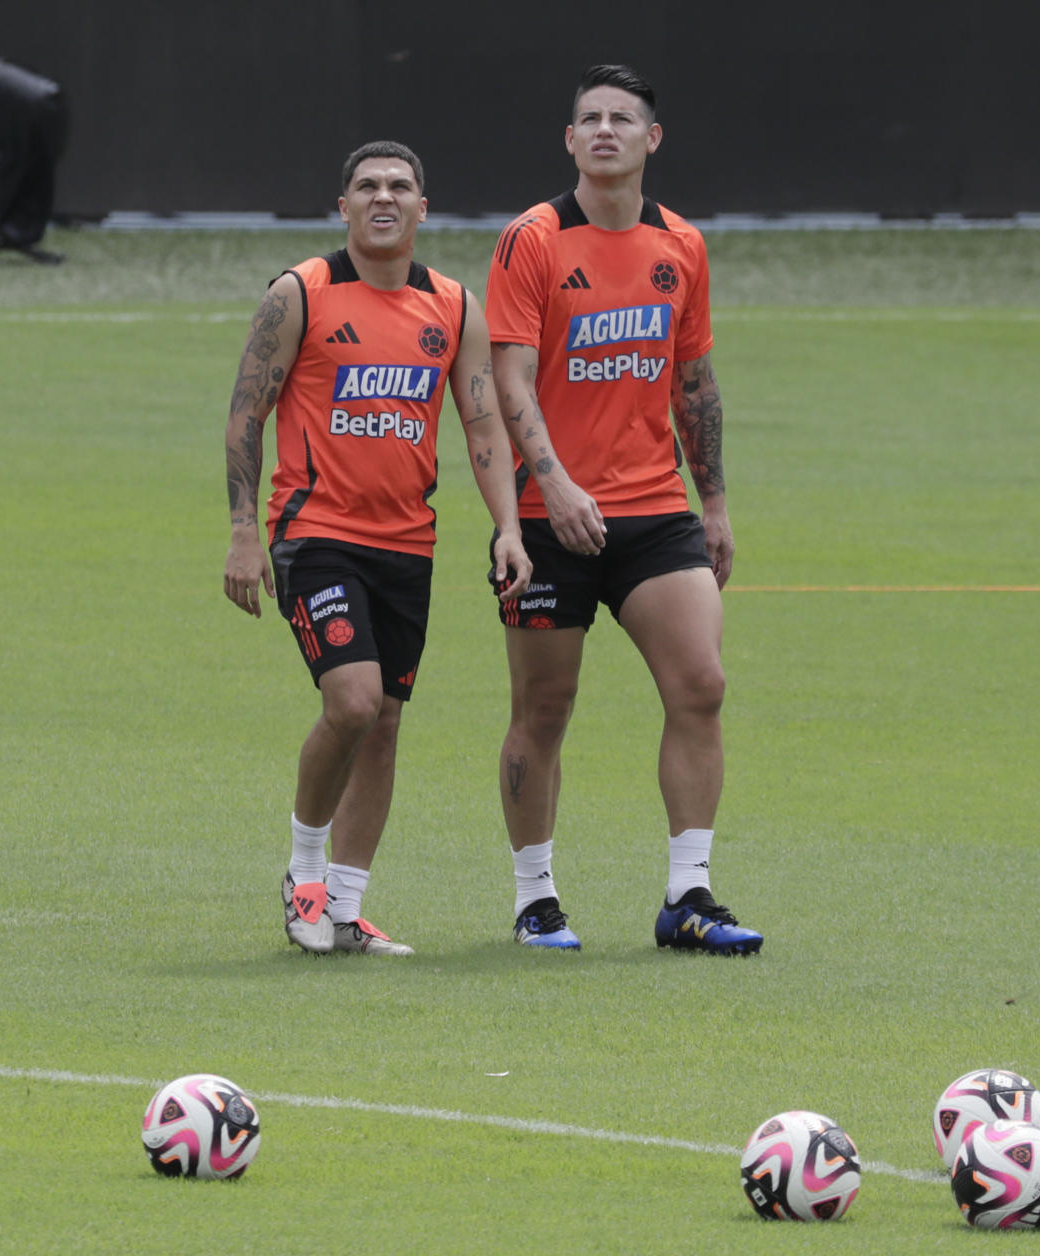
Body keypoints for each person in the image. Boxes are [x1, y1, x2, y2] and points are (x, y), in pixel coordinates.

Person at [224, 142, 532, 956]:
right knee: (353, 701)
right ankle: (306, 875)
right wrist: (242, 532)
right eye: (367, 186)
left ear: (423, 209)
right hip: (316, 534)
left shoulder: (455, 307)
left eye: (400, 187)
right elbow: (246, 413)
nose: (383, 197)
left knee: (386, 723)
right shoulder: (301, 294)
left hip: (408, 543)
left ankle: (347, 911)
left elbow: (480, 423)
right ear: (344, 207)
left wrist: (508, 526)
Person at [482, 64, 762, 954]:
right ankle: (536, 900)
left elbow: (694, 378)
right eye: (589, 119)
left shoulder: (681, 244)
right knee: (544, 708)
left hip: (653, 509)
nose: (605, 130)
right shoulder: (532, 241)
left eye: (622, 119)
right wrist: (554, 485)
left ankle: (689, 895)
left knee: (702, 686)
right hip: (547, 518)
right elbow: (508, 376)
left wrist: (713, 501)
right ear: (570, 141)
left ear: (652, 139)